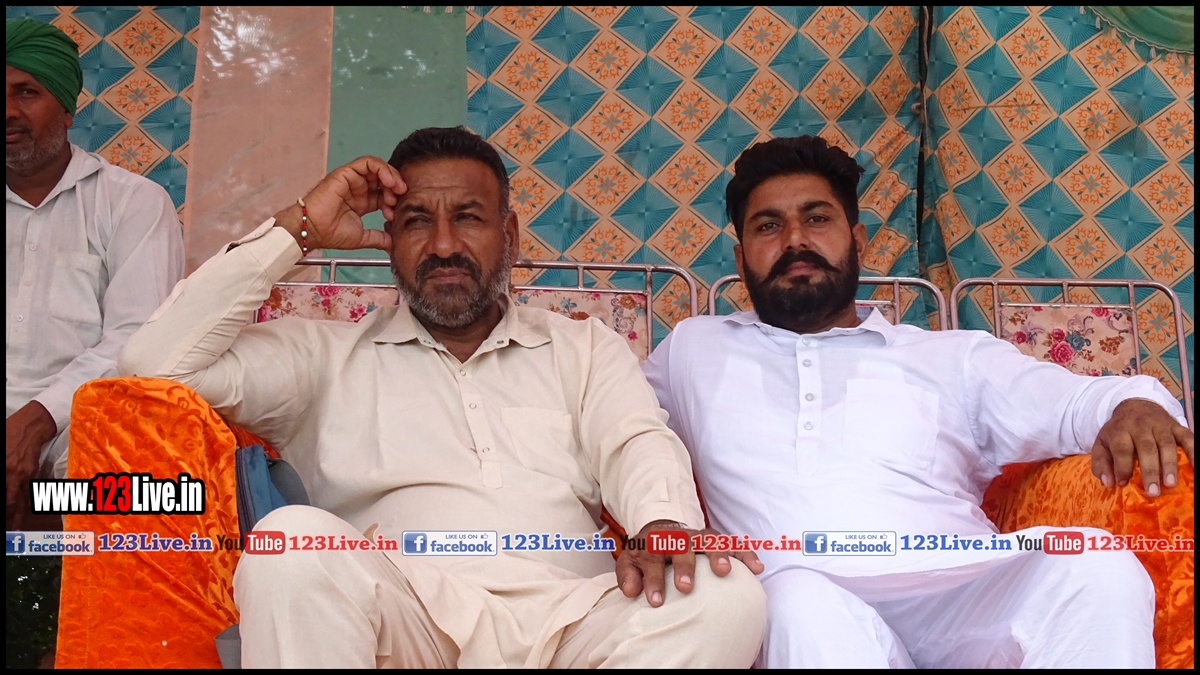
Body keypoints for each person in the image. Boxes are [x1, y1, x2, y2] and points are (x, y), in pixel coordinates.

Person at [118, 126, 767, 668]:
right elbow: (154, 362)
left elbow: (636, 440)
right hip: (403, 621)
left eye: (469, 218)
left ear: (510, 235)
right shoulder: (321, 355)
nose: (445, 245)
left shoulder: (581, 346)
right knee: (289, 543)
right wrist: (301, 229)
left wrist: (661, 522)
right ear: (389, 240)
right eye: (417, 222)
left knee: (723, 595)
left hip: (574, 623)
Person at [642, 135, 1193, 669]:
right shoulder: (694, 349)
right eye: (768, 226)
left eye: (817, 218)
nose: (794, 241)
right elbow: (613, 430)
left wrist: (1135, 404)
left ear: (858, 240)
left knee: (1095, 565)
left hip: (958, 592)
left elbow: (1080, 403)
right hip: (800, 592)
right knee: (799, 604)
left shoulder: (953, 356)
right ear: (741, 260)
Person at [6, 18, 185, 528]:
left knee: (142, 495)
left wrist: (36, 420)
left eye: (26, 92)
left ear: (67, 108)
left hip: (83, 426)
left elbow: (138, 341)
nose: (7, 111)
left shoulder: (133, 202)